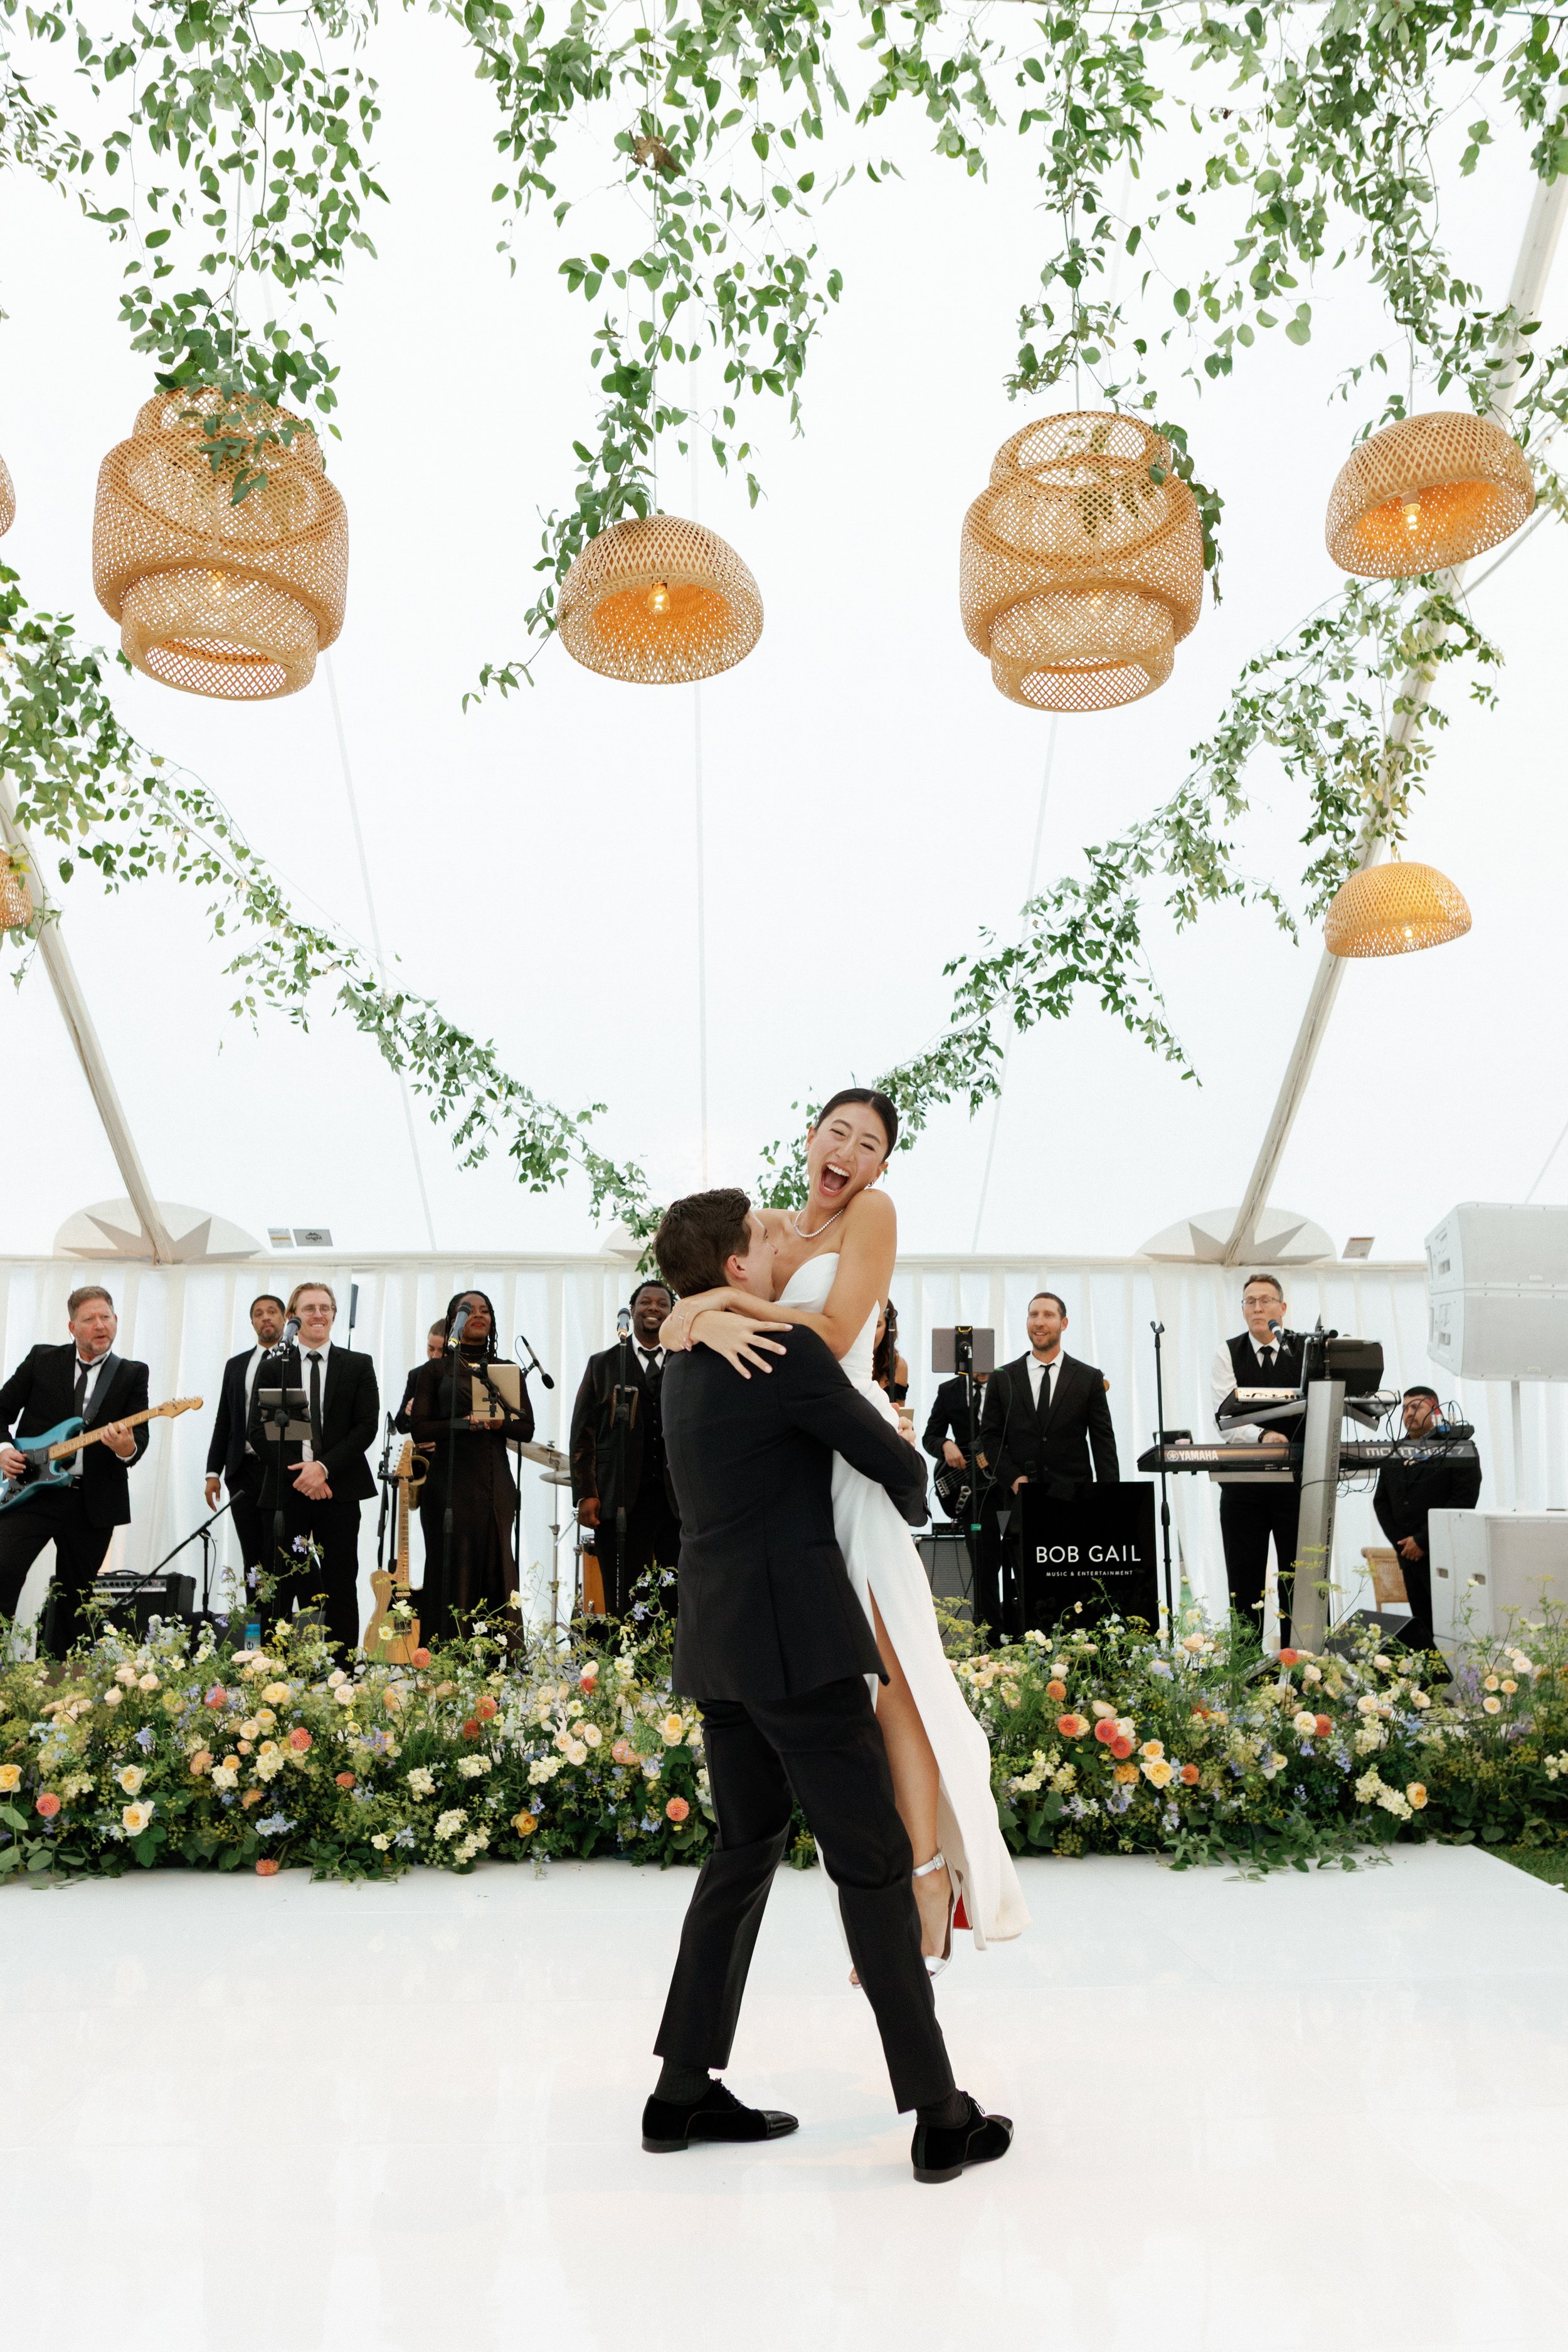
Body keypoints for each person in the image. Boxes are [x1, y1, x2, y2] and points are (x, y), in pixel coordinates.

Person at [646, 1185, 1013, 2186]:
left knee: (744, 1849)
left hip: (717, 1645)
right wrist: (892, 1472)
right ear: (735, 1270)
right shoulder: (786, 1354)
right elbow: (898, 1465)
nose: (786, 1244)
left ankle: (678, 2092)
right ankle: (941, 2113)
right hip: (797, 1647)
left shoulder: (684, 1355)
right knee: (875, 1865)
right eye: (767, 1238)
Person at [660, 1087, 1028, 1966]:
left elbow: (828, 1330)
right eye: (837, 1132)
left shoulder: (875, 1213)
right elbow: (720, 1278)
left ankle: (926, 1874)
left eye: (868, 1143)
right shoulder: (769, 1226)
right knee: (842, 1695)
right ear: (811, 1137)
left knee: (896, 1673)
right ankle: (876, 1893)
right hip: (791, 1466)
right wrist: (699, 1307)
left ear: (881, 1164)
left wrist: (712, 1313)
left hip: (848, 1446)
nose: (849, 1152)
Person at [0, 1285, 149, 1650]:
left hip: (92, 1501)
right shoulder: (42, 1359)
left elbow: (138, 1441)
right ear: (72, 1327)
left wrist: (125, 1447)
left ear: (116, 1321)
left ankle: (60, 1687)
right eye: (90, 1319)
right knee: (2, 1573)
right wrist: (3, 1448)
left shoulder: (132, 1373)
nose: (100, 1326)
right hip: (30, 1492)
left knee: (76, 1602)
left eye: (106, 1317)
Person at [247, 1279, 379, 1652]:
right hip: (287, 1491)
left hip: (338, 1489)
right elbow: (259, 1430)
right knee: (280, 1584)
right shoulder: (276, 1366)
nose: (318, 1314)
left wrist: (322, 1468)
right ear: (293, 1317)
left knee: (340, 1583)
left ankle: (343, 1672)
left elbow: (365, 1427)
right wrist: (302, 1473)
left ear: (334, 1315)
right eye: (309, 1308)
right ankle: (272, 1671)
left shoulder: (357, 1365)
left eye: (325, 1308)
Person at [406, 1290, 534, 1643]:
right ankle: (447, 1654)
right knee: (451, 1564)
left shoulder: (506, 1370)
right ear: (454, 1321)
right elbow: (420, 1427)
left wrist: (498, 1424)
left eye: (485, 1310)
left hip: (495, 1482)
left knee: (495, 1563)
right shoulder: (434, 1370)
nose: (478, 1315)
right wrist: (462, 1422)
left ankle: (496, 1658)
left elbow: (526, 1428)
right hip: (447, 1482)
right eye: (468, 1310)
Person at [570, 1278, 681, 1619]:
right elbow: (582, 1434)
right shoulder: (602, 1365)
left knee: (675, 1593)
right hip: (619, 1496)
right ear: (631, 1312)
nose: (653, 1309)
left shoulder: (686, 1362)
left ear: (672, 1313)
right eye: (645, 1302)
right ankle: (627, 1666)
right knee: (623, 1595)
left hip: (675, 1498)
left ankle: (672, 1667)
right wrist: (585, 1493)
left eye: (662, 1304)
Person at [1210, 1273, 1305, 1648]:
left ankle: (1302, 1676)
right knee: (1244, 1586)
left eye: (1266, 1300)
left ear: (1283, 1308)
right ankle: (1247, 1680)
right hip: (1243, 1486)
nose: (1258, 1307)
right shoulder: (1227, 1353)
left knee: (1300, 1583)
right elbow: (1224, 1420)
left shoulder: (1303, 1352)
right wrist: (1264, 1436)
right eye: (1250, 1301)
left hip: (1297, 1485)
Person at [1374, 1385, 1483, 1653]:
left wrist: (1422, 1540)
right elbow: (1381, 1502)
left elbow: (1464, 1499)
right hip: (1408, 1558)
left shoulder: (1459, 1448)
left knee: (1449, 1627)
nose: (1408, 1413)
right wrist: (1403, 1544)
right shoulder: (1394, 1452)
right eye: (1404, 1408)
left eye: (1416, 1407)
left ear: (1435, 1410)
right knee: (1422, 1631)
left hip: (1443, 1555)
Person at [204, 1294, 287, 1591]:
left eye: (272, 1312)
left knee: (283, 1553)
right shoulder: (237, 1365)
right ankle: (257, 1634)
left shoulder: (295, 1360)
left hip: (280, 1470)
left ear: (285, 1318)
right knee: (252, 1559)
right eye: (258, 1313)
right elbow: (224, 1419)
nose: (265, 1317)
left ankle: (293, 1629)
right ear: (252, 1322)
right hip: (242, 1471)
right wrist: (213, 1472)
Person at [922, 1367, 1005, 1640]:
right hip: (971, 1495)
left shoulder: (1008, 1385)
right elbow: (929, 1437)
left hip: (1005, 1490)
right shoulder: (950, 1391)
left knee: (1017, 1559)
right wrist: (945, 1444)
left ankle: (1024, 1636)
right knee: (984, 1571)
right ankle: (992, 1645)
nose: (983, 1371)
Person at [395, 1323, 448, 1435]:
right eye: (431, 1349)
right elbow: (400, 1426)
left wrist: (440, 1441)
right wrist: (408, 1413)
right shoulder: (416, 1375)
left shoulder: (463, 1376)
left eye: (442, 1351)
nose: (434, 1356)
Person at [872, 1301, 909, 1406]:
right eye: (866, 1325)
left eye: (877, 1325)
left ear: (888, 1326)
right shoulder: (844, 1360)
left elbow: (901, 1414)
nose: (871, 1333)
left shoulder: (898, 1365)